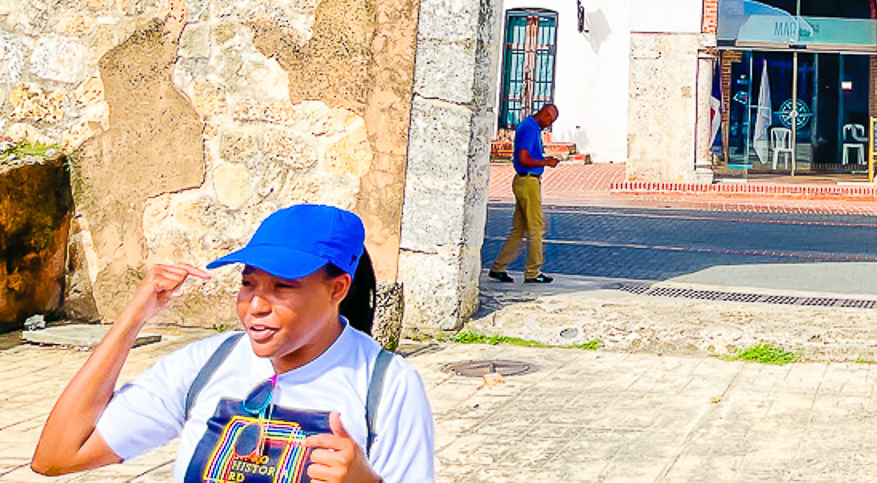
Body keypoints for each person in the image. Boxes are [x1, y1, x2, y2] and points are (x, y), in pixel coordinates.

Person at [32, 203, 435, 482]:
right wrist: (132, 319)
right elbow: (57, 457)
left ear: (338, 288)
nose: (256, 305)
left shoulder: (386, 386)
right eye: (247, 284)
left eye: (282, 287)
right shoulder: (205, 365)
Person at [489, 102, 560, 284]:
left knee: (519, 229)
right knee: (537, 228)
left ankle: (499, 267)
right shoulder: (530, 128)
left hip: (523, 180)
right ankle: (533, 271)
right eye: (550, 120)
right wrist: (546, 162)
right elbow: (524, 158)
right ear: (544, 114)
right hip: (528, 181)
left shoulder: (528, 125)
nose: (549, 124)